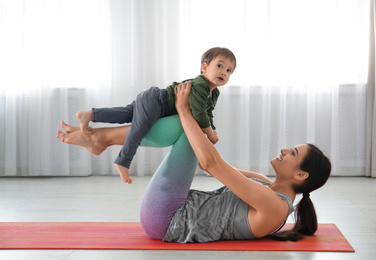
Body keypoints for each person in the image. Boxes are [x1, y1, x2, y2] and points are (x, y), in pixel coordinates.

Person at [56, 81, 331, 242]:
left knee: (186, 126)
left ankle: (103, 139)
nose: (284, 150)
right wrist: (195, 120)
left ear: (301, 176)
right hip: (171, 210)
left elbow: (212, 165)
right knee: (184, 127)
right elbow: (206, 163)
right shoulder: (263, 184)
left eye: (292, 153)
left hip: (167, 220)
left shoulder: (275, 207)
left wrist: (187, 110)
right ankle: (102, 139)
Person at [75, 47, 236, 183]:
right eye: (220, 66)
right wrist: (209, 132)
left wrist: (212, 130)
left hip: (153, 101)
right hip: (156, 102)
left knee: (125, 114)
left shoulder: (213, 93)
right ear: (204, 67)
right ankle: (123, 161)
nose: (224, 72)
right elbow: (199, 113)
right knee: (139, 130)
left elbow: (208, 113)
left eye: (229, 70)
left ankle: (90, 115)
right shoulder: (201, 85)